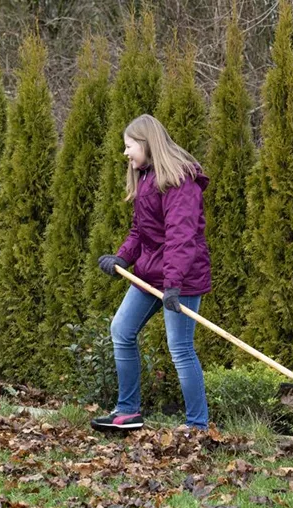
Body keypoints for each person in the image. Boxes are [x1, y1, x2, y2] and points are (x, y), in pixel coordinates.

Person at [92, 114, 211, 432]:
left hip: (181, 278)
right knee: (121, 329)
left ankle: (197, 426)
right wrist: (121, 258)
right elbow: (140, 231)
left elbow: (180, 238)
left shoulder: (180, 181)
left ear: (147, 143)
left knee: (180, 347)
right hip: (151, 275)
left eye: (129, 146)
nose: (126, 153)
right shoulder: (145, 178)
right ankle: (128, 411)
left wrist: (174, 284)